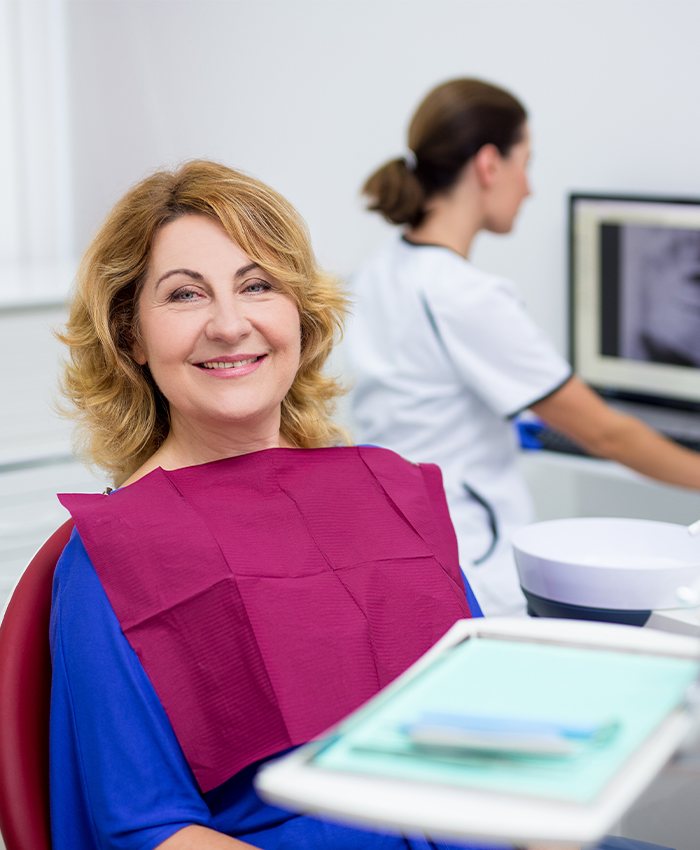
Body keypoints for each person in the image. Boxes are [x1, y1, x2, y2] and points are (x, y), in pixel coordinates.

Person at [50, 160, 671, 850]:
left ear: (301, 315)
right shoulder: (114, 553)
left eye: (257, 285)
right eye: (184, 295)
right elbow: (146, 829)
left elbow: (493, 737)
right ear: (130, 335)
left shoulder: (389, 492)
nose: (230, 324)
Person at [344, 77, 700, 617]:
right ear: (489, 165)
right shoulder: (466, 296)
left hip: (403, 550)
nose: (529, 187)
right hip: (474, 565)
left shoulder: (382, 269)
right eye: (525, 163)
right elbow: (607, 433)